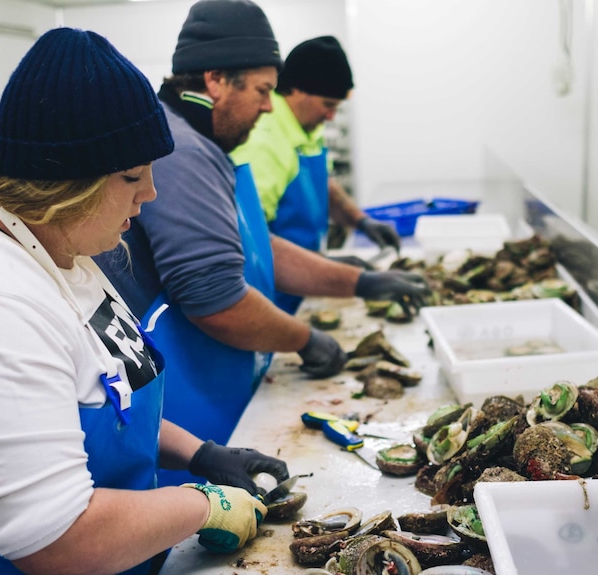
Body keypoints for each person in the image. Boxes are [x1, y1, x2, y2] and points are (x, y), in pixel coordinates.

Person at [0, 28, 289, 575]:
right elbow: (57, 538)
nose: (149, 194)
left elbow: (105, 400)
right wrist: (204, 505)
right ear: (65, 183)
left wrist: (199, 453)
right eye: (131, 177)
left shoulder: (67, 259)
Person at [95, 0, 429, 487]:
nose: (270, 106)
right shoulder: (181, 150)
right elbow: (217, 303)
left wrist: (360, 281)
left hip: (213, 389)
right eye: (262, 90)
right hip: (186, 403)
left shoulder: (200, 142)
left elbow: (256, 244)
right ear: (215, 80)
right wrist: (305, 339)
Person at [232, 35, 402, 313]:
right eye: (327, 105)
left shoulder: (307, 126)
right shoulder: (264, 142)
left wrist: (362, 221)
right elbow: (252, 240)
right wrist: (338, 272)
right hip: (276, 297)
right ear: (297, 91)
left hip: (309, 284)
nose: (331, 116)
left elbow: (323, 183)